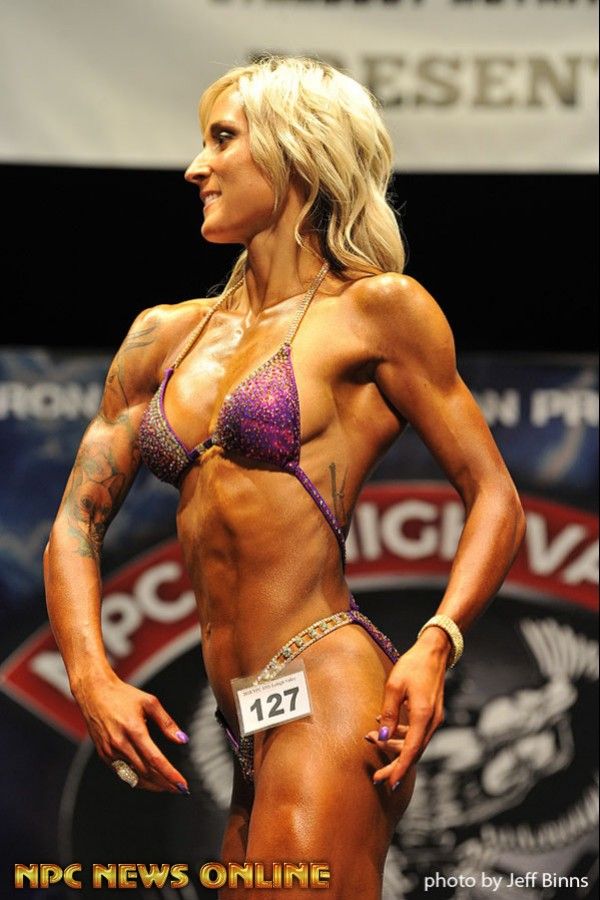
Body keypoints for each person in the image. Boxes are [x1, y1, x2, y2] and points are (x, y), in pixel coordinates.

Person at [44, 56, 526, 898]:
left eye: (221, 139)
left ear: (295, 151)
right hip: (243, 715)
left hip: (327, 685)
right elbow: (76, 522)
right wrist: (90, 676)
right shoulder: (164, 337)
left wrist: (437, 643)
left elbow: (495, 495)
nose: (196, 167)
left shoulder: (377, 310)